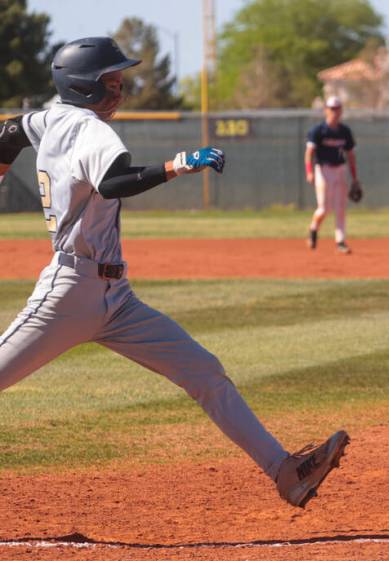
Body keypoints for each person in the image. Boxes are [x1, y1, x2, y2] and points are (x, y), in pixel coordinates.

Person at [0, 37, 348, 508]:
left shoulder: (50, 117)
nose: (120, 91)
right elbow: (115, 180)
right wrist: (174, 165)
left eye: (121, 81)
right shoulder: (91, 131)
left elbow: (10, 132)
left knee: (203, 371)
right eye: (111, 82)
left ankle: (286, 472)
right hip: (69, 291)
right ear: (83, 87)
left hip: (117, 300)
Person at [304, 95, 359, 254]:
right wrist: (309, 172)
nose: (334, 111)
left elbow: (351, 155)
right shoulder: (318, 131)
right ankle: (313, 229)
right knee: (324, 208)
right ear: (326, 110)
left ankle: (340, 241)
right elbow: (309, 152)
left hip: (340, 170)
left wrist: (355, 177)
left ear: (341, 110)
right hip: (323, 170)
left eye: (337, 108)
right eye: (331, 108)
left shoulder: (345, 131)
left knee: (341, 207)